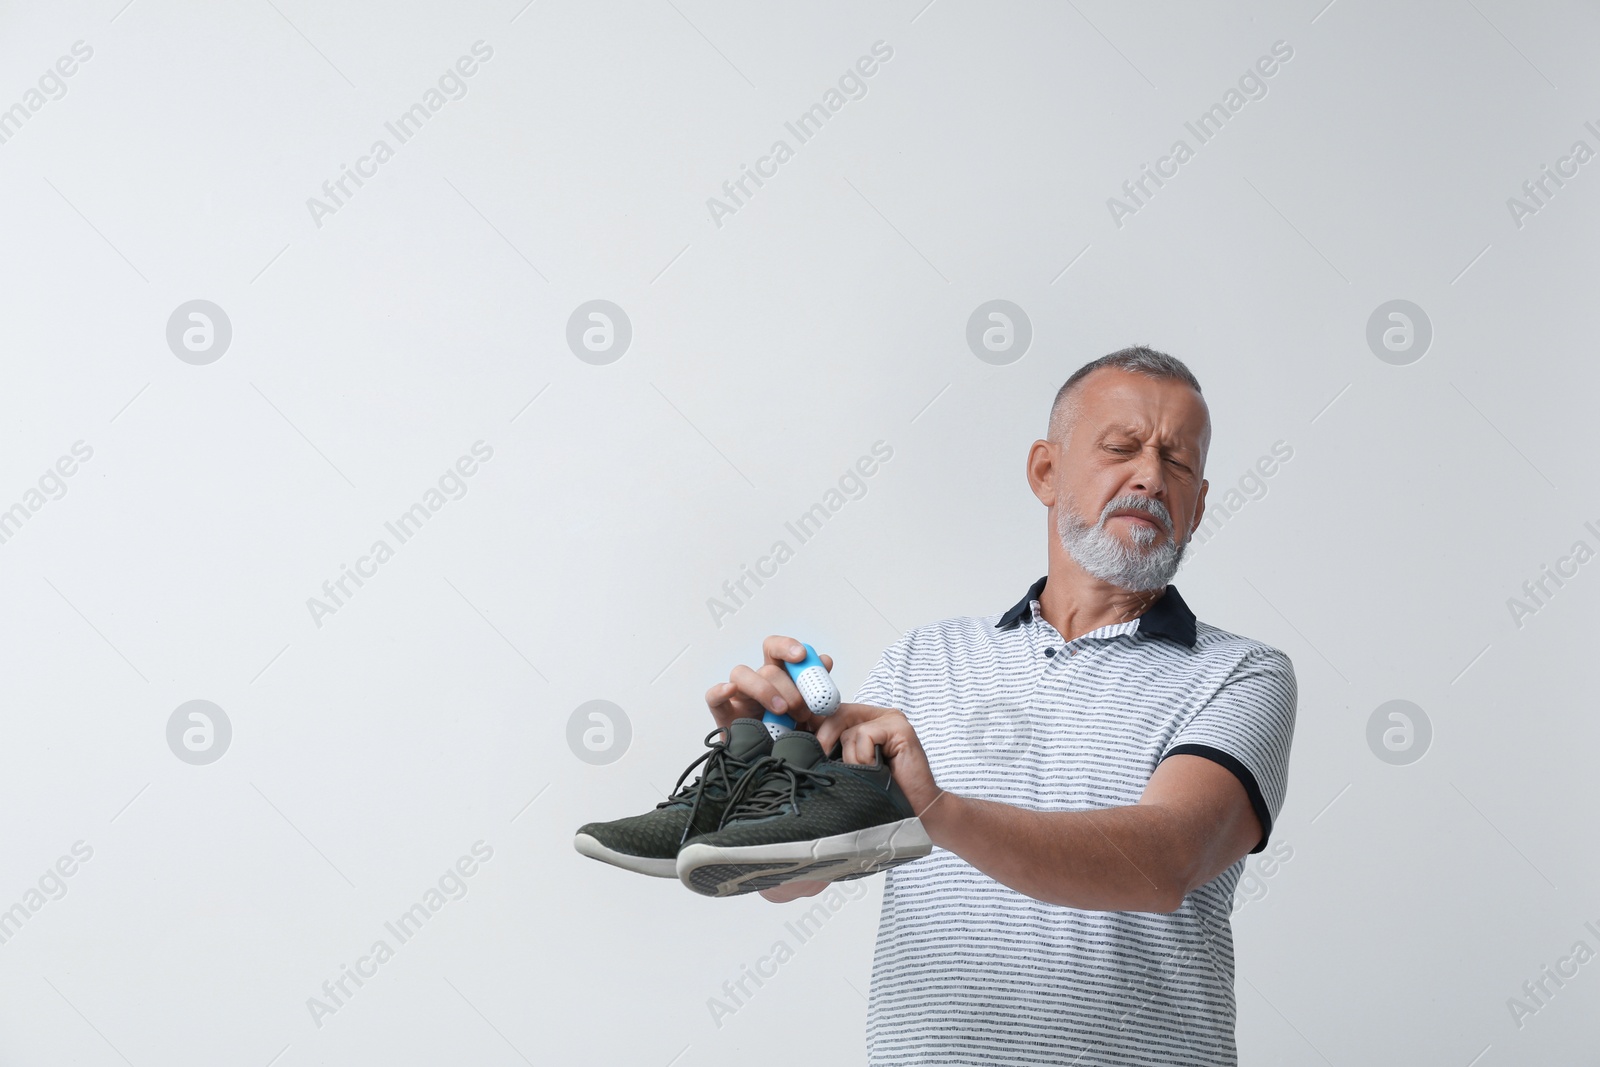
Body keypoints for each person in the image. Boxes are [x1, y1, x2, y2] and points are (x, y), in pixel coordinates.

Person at [704, 345, 1298, 1066]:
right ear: (1045, 472)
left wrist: (938, 809)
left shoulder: (1242, 674)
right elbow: (791, 877)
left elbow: (1162, 860)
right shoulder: (925, 661)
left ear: (1198, 503)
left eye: (1178, 463)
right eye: (1121, 447)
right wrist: (765, 772)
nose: (1150, 475)